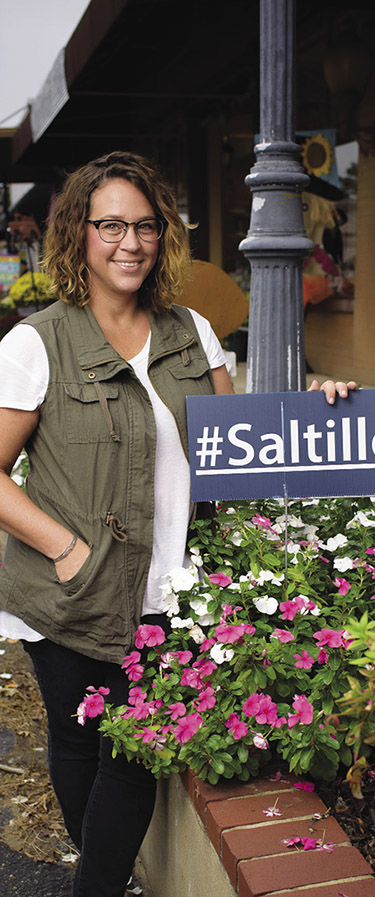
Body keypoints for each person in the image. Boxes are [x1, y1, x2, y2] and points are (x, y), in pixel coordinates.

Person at [0, 151, 356, 897]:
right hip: (68, 589)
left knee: (134, 751)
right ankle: (107, 876)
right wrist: (64, 549)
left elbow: (239, 445)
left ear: (163, 236)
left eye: (145, 226)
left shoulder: (190, 330)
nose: (129, 243)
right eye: (110, 226)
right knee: (77, 740)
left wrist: (321, 405)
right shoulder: (38, 342)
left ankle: (96, 886)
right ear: (78, 235)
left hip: (170, 590)